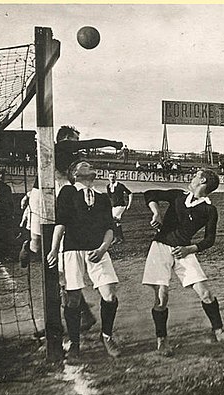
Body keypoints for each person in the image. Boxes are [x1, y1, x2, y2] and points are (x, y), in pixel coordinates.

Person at [142, 168, 224, 357]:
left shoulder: (209, 210)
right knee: (162, 297)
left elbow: (209, 240)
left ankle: (219, 332)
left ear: (202, 181)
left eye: (196, 175)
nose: (192, 177)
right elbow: (149, 194)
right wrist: (156, 213)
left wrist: (189, 249)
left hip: (184, 250)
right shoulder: (178, 196)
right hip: (160, 247)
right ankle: (162, 340)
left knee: (206, 294)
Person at [47, 160, 121, 361]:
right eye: (84, 165)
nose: (90, 165)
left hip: (98, 251)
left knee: (109, 295)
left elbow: (109, 228)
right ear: (75, 174)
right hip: (72, 251)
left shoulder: (103, 198)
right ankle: (74, 344)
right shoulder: (68, 193)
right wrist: (54, 249)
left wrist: (103, 248)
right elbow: (61, 223)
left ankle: (106, 335)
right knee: (73, 299)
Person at [19, 125, 123, 266]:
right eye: (76, 139)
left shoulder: (72, 158)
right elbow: (92, 143)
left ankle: (60, 272)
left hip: (60, 191)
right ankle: (29, 248)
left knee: (61, 230)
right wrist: (113, 144)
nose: (78, 143)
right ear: (67, 138)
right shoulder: (63, 146)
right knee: (36, 243)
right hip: (42, 193)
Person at [106, 171, 133, 244]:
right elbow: (110, 197)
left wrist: (129, 204)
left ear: (116, 177)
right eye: (110, 176)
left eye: (113, 176)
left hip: (121, 206)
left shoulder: (120, 186)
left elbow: (130, 193)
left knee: (114, 220)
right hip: (114, 206)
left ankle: (116, 238)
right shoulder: (108, 187)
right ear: (108, 178)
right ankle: (120, 238)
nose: (112, 178)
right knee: (116, 222)